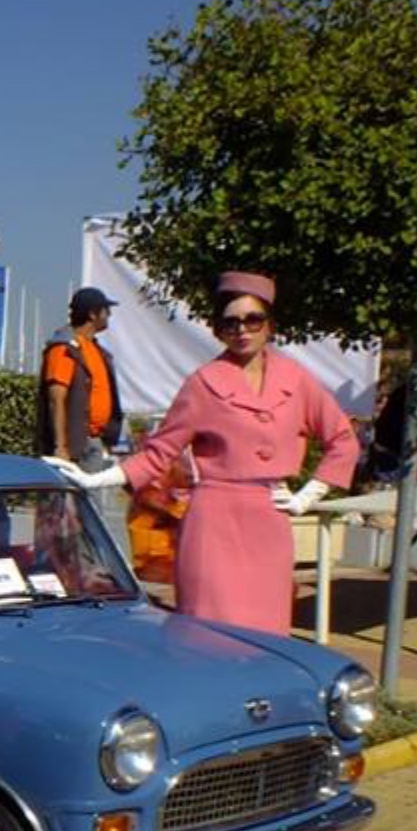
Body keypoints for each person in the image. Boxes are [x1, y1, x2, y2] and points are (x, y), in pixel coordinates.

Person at [49, 271, 359, 635]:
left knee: (267, 638)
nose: (242, 330)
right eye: (230, 323)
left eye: (253, 319)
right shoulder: (202, 384)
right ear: (218, 330)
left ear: (270, 325)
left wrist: (309, 495)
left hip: (270, 525)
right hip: (213, 526)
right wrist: (95, 479)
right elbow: (158, 453)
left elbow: (343, 439)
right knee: (209, 635)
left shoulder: (297, 380)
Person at [36, 286, 125, 470]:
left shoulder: (96, 350)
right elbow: (56, 399)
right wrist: (61, 447)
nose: (109, 315)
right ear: (92, 314)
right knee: (70, 489)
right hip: (75, 447)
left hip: (95, 442)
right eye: (106, 310)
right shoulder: (64, 348)